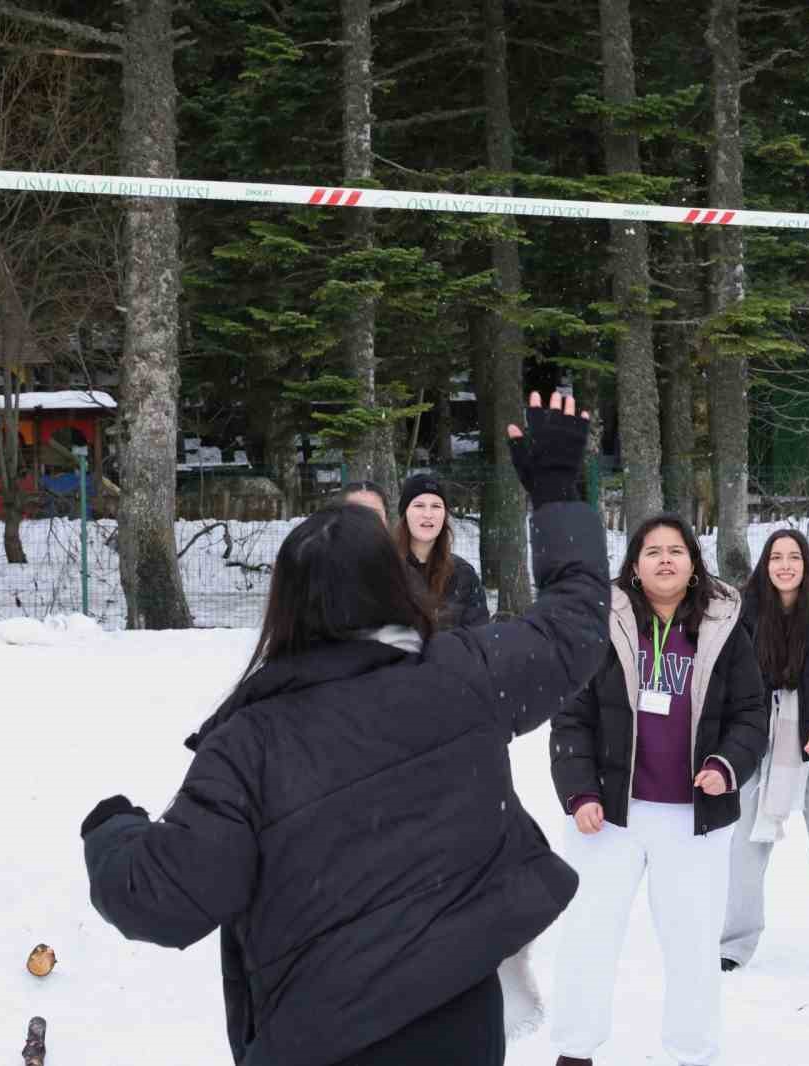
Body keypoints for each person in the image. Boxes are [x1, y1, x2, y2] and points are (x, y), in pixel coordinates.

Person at [80, 393, 606, 1066]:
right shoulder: (464, 674)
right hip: (459, 1027)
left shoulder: (248, 745)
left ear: (286, 603)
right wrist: (558, 489)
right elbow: (576, 626)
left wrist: (111, 831)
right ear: (394, 585)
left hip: (322, 1037)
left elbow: (161, 899)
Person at [547, 514, 768, 1066]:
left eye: (676, 550)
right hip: (610, 815)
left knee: (692, 946)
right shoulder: (606, 624)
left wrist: (725, 765)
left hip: (694, 819)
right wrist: (580, 792)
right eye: (653, 551)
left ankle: (692, 1053)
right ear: (635, 564)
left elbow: (750, 713)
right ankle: (575, 1050)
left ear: (693, 563)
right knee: (587, 937)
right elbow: (571, 714)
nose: (665, 559)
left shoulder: (723, 626)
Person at [719, 528, 809, 986]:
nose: (785, 565)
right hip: (757, 744)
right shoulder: (744, 614)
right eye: (776, 557)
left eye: (794, 557)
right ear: (765, 563)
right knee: (746, 845)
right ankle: (734, 943)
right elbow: (731, 680)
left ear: (806, 563)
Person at [396, 472, 489, 627]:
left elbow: (478, 640)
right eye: (419, 505)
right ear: (405, 513)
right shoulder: (385, 570)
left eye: (436, 506)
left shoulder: (463, 575)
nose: (428, 514)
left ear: (444, 515)